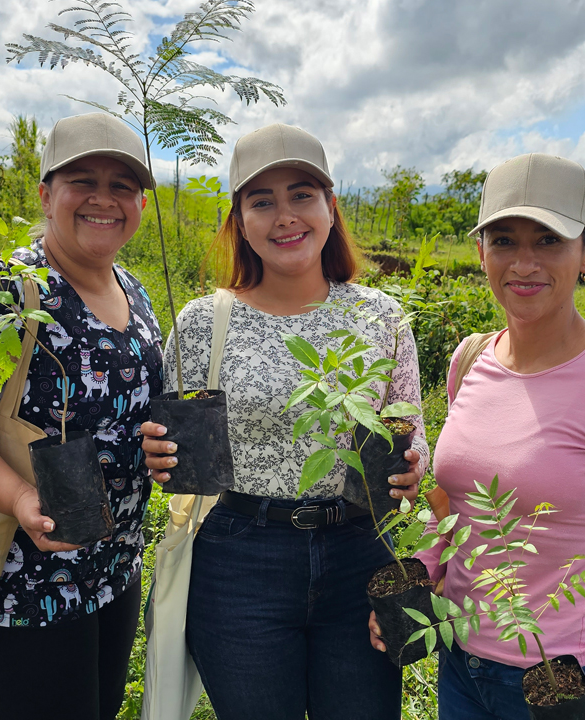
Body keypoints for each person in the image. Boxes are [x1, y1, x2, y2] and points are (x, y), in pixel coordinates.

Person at [140, 123, 427, 720]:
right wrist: (159, 456)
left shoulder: (382, 317)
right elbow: (171, 450)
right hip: (239, 557)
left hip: (360, 553)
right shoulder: (203, 322)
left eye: (301, 195)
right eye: (262, 201)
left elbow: (409, 435)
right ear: (239, 221)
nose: (285, 217)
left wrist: (411, 471)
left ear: (330, 207)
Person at [394, 153, 585, 720]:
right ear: (481, 251)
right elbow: (453, 504)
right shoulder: (469, 359)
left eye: (549, 241)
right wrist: (420, 571)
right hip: (461, 666)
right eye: (503, 240)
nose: (523, 263)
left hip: (565, 683)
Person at [0, 113, 162, 720]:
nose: (104, 199)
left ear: (141, 205)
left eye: (122, 186)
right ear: (46, 195)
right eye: (82, 181)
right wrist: (21, 497)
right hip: (24, 578)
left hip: (114, 564)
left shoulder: (133, 289)